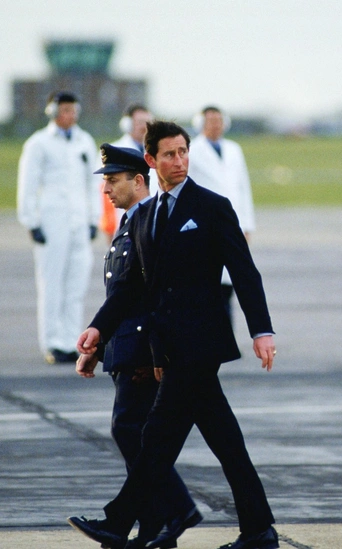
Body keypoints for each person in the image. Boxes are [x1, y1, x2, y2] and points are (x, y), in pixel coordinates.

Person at [67, 121, 279, 549]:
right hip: (168, 347)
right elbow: (131, 289)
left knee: (157, 437)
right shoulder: (145, 216)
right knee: (226, 443)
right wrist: (98, 328)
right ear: (151, 160)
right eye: (169, 154)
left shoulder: (212, 206)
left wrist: (261, 330)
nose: (179, 161)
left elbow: (244, 272)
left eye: (183, 152)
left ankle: (118, 522)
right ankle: (259, 530)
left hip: (200, 345)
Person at [76, 143, 200, 548]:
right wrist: (99, 347)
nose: (106, 189)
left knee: (131, 431)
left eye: (113, 181)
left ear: (139, 181)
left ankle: (176, 509)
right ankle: (153, 529)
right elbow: (122, 297)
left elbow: (152, 297)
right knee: (141, 436)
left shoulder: (150, 223)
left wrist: (155, 353)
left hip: (143, 349)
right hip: (126, 346)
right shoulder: (130, 223)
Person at [17, 91, 100, 365]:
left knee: (76, 284)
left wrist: (94, 219)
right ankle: (52, 342)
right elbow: (28, 184)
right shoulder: (39, 143)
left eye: (73, 109)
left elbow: (93, 183)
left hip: (79, 221)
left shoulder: (84, 141)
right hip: (52, 221)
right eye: (65, 109)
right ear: (52, 111)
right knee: (52, 283)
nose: (70, 115)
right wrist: (31, 221)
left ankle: (71, 340)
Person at [188, 105, 256, 322]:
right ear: (201, 123)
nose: (215, 125)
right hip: (206, 222)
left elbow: (243, 187)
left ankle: (227, 331)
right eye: (211, 121)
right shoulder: (192, 150)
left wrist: (247, 225)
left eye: (219, 120)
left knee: (232, 280)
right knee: (209, 281)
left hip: (233, 221)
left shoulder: (234, 149)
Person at [99, 105, 156, 241]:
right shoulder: (114, 152)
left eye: (148, 123)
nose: (144, 127)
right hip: (121, 218)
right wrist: (109, 225)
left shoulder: (156, 152)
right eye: (140, 122)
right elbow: (104, 191)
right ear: (127, 124)